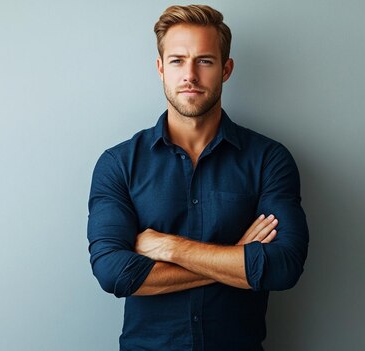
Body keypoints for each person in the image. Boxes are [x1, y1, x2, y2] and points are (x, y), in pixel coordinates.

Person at [87, 4, 309, 350]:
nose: (190, 74)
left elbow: (283, 266)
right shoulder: (118, 164)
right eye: (177, 61)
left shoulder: (269, 159)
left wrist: (169, 247)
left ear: (226, 69)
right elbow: (116, 273)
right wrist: (236, 258)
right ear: (161, 69)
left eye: (204, 60)